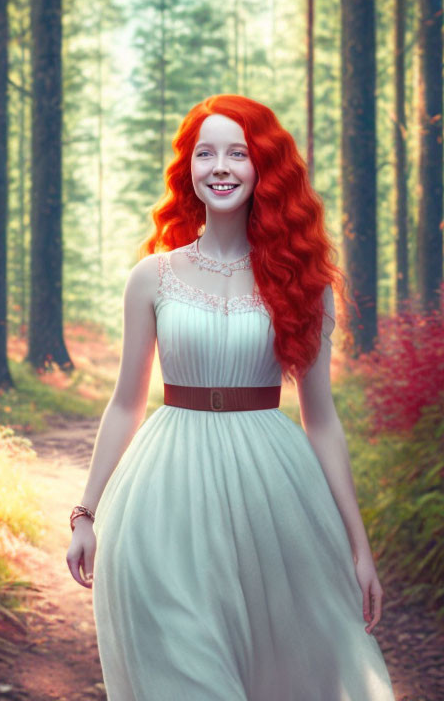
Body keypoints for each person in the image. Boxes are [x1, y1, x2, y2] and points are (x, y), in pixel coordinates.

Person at [66, 94, 396, 700]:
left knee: (284, 667)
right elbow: (124, 404)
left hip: (273, 497)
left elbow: (322, 420)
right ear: (188, 169)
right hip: (162, 496)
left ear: (264, 167)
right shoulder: (153, 276)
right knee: (186, 671)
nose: (221, 166)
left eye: (238, 153)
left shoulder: (303, 283)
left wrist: (358, 547)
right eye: (205, 153)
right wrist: (85, 514)